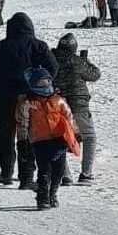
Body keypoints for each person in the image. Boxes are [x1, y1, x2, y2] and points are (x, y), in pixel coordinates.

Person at [0, 13, 58, 188]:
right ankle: (26, 177)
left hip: (6, 97)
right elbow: (53, 67)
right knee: (28, 135)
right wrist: (44, 87)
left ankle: (6, 173)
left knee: (6, 134)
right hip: (32, 98)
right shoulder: (39, 46)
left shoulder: (0, 47)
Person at [17, 68, 79, 210]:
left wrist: (76, 133)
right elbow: (23, 122)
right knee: (44, 171)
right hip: (40, 141)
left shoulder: (58, 100)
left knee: (59, 170)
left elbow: (69, 117)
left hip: (59, 139)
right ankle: (42, 197)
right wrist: (22, 141)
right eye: (41, 83)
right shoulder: (28, 102)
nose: (45, 86)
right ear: (33, 85)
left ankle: (52, 194)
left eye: (47, 82)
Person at [53, 34, 99, 184]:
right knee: (89, 136)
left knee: (59, 138)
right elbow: (95, 74)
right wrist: (85, 60)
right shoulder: (77, 61)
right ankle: (86, 174)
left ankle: (65, 175)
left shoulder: (51, 59)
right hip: (79, 105)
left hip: (58, 104)